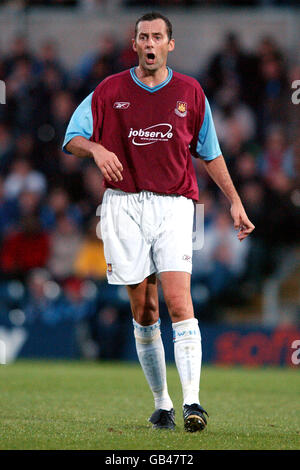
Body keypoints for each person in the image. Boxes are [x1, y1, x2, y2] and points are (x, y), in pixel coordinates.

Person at [63, 12, 255, 432]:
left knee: (178, 300)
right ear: (134, 44)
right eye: (143, 36)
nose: (150, 43)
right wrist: (96, 149)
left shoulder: (190, 91)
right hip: (123, 206)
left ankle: (193, 404)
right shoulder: (109, 90)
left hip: (174, 205)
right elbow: (71, 137)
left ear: (171, 44)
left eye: (158, 36)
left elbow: (211, 153)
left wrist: (235, 202)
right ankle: (162, 403)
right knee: (144, 310)